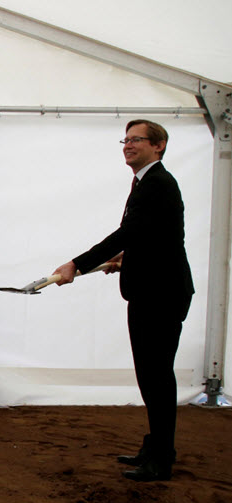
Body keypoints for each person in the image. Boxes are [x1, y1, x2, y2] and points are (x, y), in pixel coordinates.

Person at [53, 120, 193, 482]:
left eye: (137, 140)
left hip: (161, 294)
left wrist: (76, 264)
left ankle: (161, 458)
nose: (128, 145)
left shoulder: (158, 183)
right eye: (125, 139)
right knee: (150, 376)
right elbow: (153, 237)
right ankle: (156, 447)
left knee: (157, 377)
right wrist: (125, 259)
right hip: (151, 290)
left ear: (159, 145)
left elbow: (128, 232)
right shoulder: (146, 182)